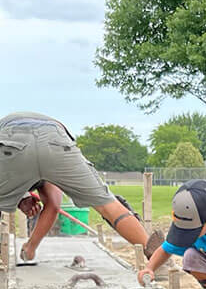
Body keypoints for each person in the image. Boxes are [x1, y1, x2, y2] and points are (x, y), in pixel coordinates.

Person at [0, 112, 149, 263]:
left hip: (9, 140)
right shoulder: (51, 170)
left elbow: (51, 205)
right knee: (107, 204)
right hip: (55, 140)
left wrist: (22, 197)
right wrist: (30, 248)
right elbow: (53, 205)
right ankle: (157, 257)